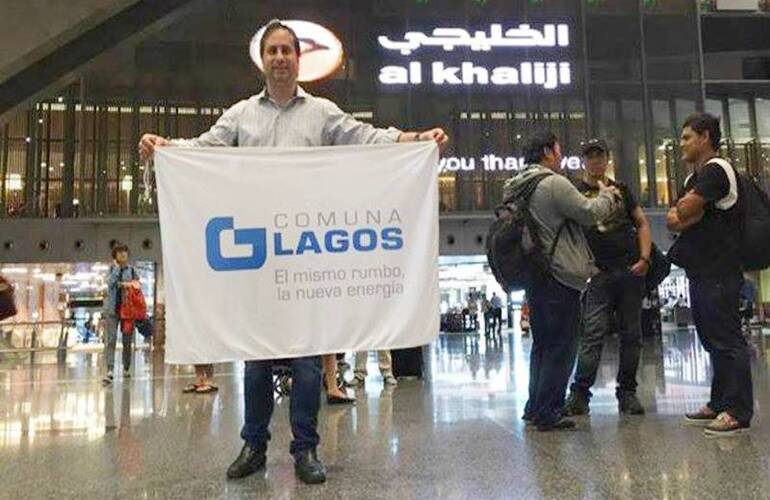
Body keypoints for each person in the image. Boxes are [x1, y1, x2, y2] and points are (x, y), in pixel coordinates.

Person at [138, 20, 448, 484]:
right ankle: (254, 446)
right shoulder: (241, 115)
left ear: (299, 60)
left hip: (304, 260)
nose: (280, 57)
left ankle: (306, 449)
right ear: (262, 60)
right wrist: (165, 148)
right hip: (261, 261)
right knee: (256, 359)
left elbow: (364, 137)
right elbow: (203, 149)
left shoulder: (321, 113)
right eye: (273, 51)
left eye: (287, 50)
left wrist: (413, 140)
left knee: (307, 362)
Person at [505, 131, 617, 431]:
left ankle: (535, 406)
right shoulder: (552, 183)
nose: (561, 156)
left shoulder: (519, 185)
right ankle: (549, 411)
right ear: (547, 152)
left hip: (535, 274)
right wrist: (608, 195)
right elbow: (589, 212)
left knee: (542, 344)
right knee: (562, 346)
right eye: (558, 150)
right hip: (558, 275)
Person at [667, 112, 753, 437]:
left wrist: (689, 212)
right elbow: (674, 219)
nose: (682, 144)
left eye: (687, 137)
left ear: (705, 137)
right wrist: (689, 212)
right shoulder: (694, 179)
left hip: (721, 269)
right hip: (701, 270)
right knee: (711, 338)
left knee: (726, 338)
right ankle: (719, 402)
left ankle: (738, 410)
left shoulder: (717, 170)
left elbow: (683, 211)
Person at [563, 138, 651, 416]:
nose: (595, 160)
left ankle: (627, 393)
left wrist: (644, 258)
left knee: (632, 335)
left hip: (628, 271)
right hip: (598, 275)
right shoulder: (575, 192)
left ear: (607, 158)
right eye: (590, 156)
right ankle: (579, 394)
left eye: (599, 155)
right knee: (592, 334)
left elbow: (642, 222)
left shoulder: (621, 190)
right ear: (583, 160)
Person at [102, 243, 141, 384]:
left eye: (125, 252)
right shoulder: (112, 269)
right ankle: (110, 370)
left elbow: (137, 285)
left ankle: (126, 367)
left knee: (127, 340)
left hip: (128, 311)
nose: (123, 254)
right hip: (112, 310)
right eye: (119, 253)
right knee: (111, 340)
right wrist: (117, 269)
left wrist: (126, 284)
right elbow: (110, 283)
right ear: (115, 256)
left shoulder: (132, 270)